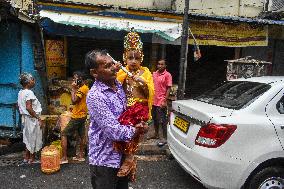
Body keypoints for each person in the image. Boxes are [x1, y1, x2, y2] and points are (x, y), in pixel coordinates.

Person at [85, 49, 149, 189]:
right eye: (107, 66)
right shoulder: (95, 96)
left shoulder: (118, 85)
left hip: (121, 154)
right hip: (104, 160)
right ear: (94, 73)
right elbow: (114, 131)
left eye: (113, 63)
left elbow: (125, 115)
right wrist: (136, 131)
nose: (114, 68)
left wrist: (140, 122)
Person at [115, 30, 154, 179]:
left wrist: (143, 82)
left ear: (141, 58)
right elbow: (116, 88)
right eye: (130, 57)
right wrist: (118, 71)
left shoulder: (145, 72)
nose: (133, 61)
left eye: (136, 58)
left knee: (131, 132)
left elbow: (151, 92)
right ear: (125, 58)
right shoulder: (122, 72)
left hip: (139, 109)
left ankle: (130, 159)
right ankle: (130, 163)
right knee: (121, 134)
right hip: (126, 108)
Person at [61, 71, 89, 164]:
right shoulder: (83, 88)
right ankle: (80, 156)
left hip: (77, 117)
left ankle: (64, 158)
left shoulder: (82, 89)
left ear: (80, 79)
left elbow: (74, 101)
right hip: (82, 115)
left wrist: (73, 89)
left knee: (64, 134)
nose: (73, 80)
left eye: (75, 78)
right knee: (81, 136)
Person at [18, 73, 43, 164]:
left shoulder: (21, 92)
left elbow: (20, 106)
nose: (34, 81)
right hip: (32, 119)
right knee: (33, 138)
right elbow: (29, 107)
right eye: (32, 79)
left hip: (26, 118)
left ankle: (26, 157)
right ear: (28, 82)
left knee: (28, 138)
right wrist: (38, 118)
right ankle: (31, 159)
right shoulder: (29, 92)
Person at [150, 59, 172, 146]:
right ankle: (156, 134)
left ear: (165, 66)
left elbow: (168, 88)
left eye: (162, 64)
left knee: (162, 120)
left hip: (161, 101)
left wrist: (164, 100)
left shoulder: (167, 75)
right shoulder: (154, 74)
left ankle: (164, 138)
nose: (160, 66)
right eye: (158, 64)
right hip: (153, 101)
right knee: (155, 119)